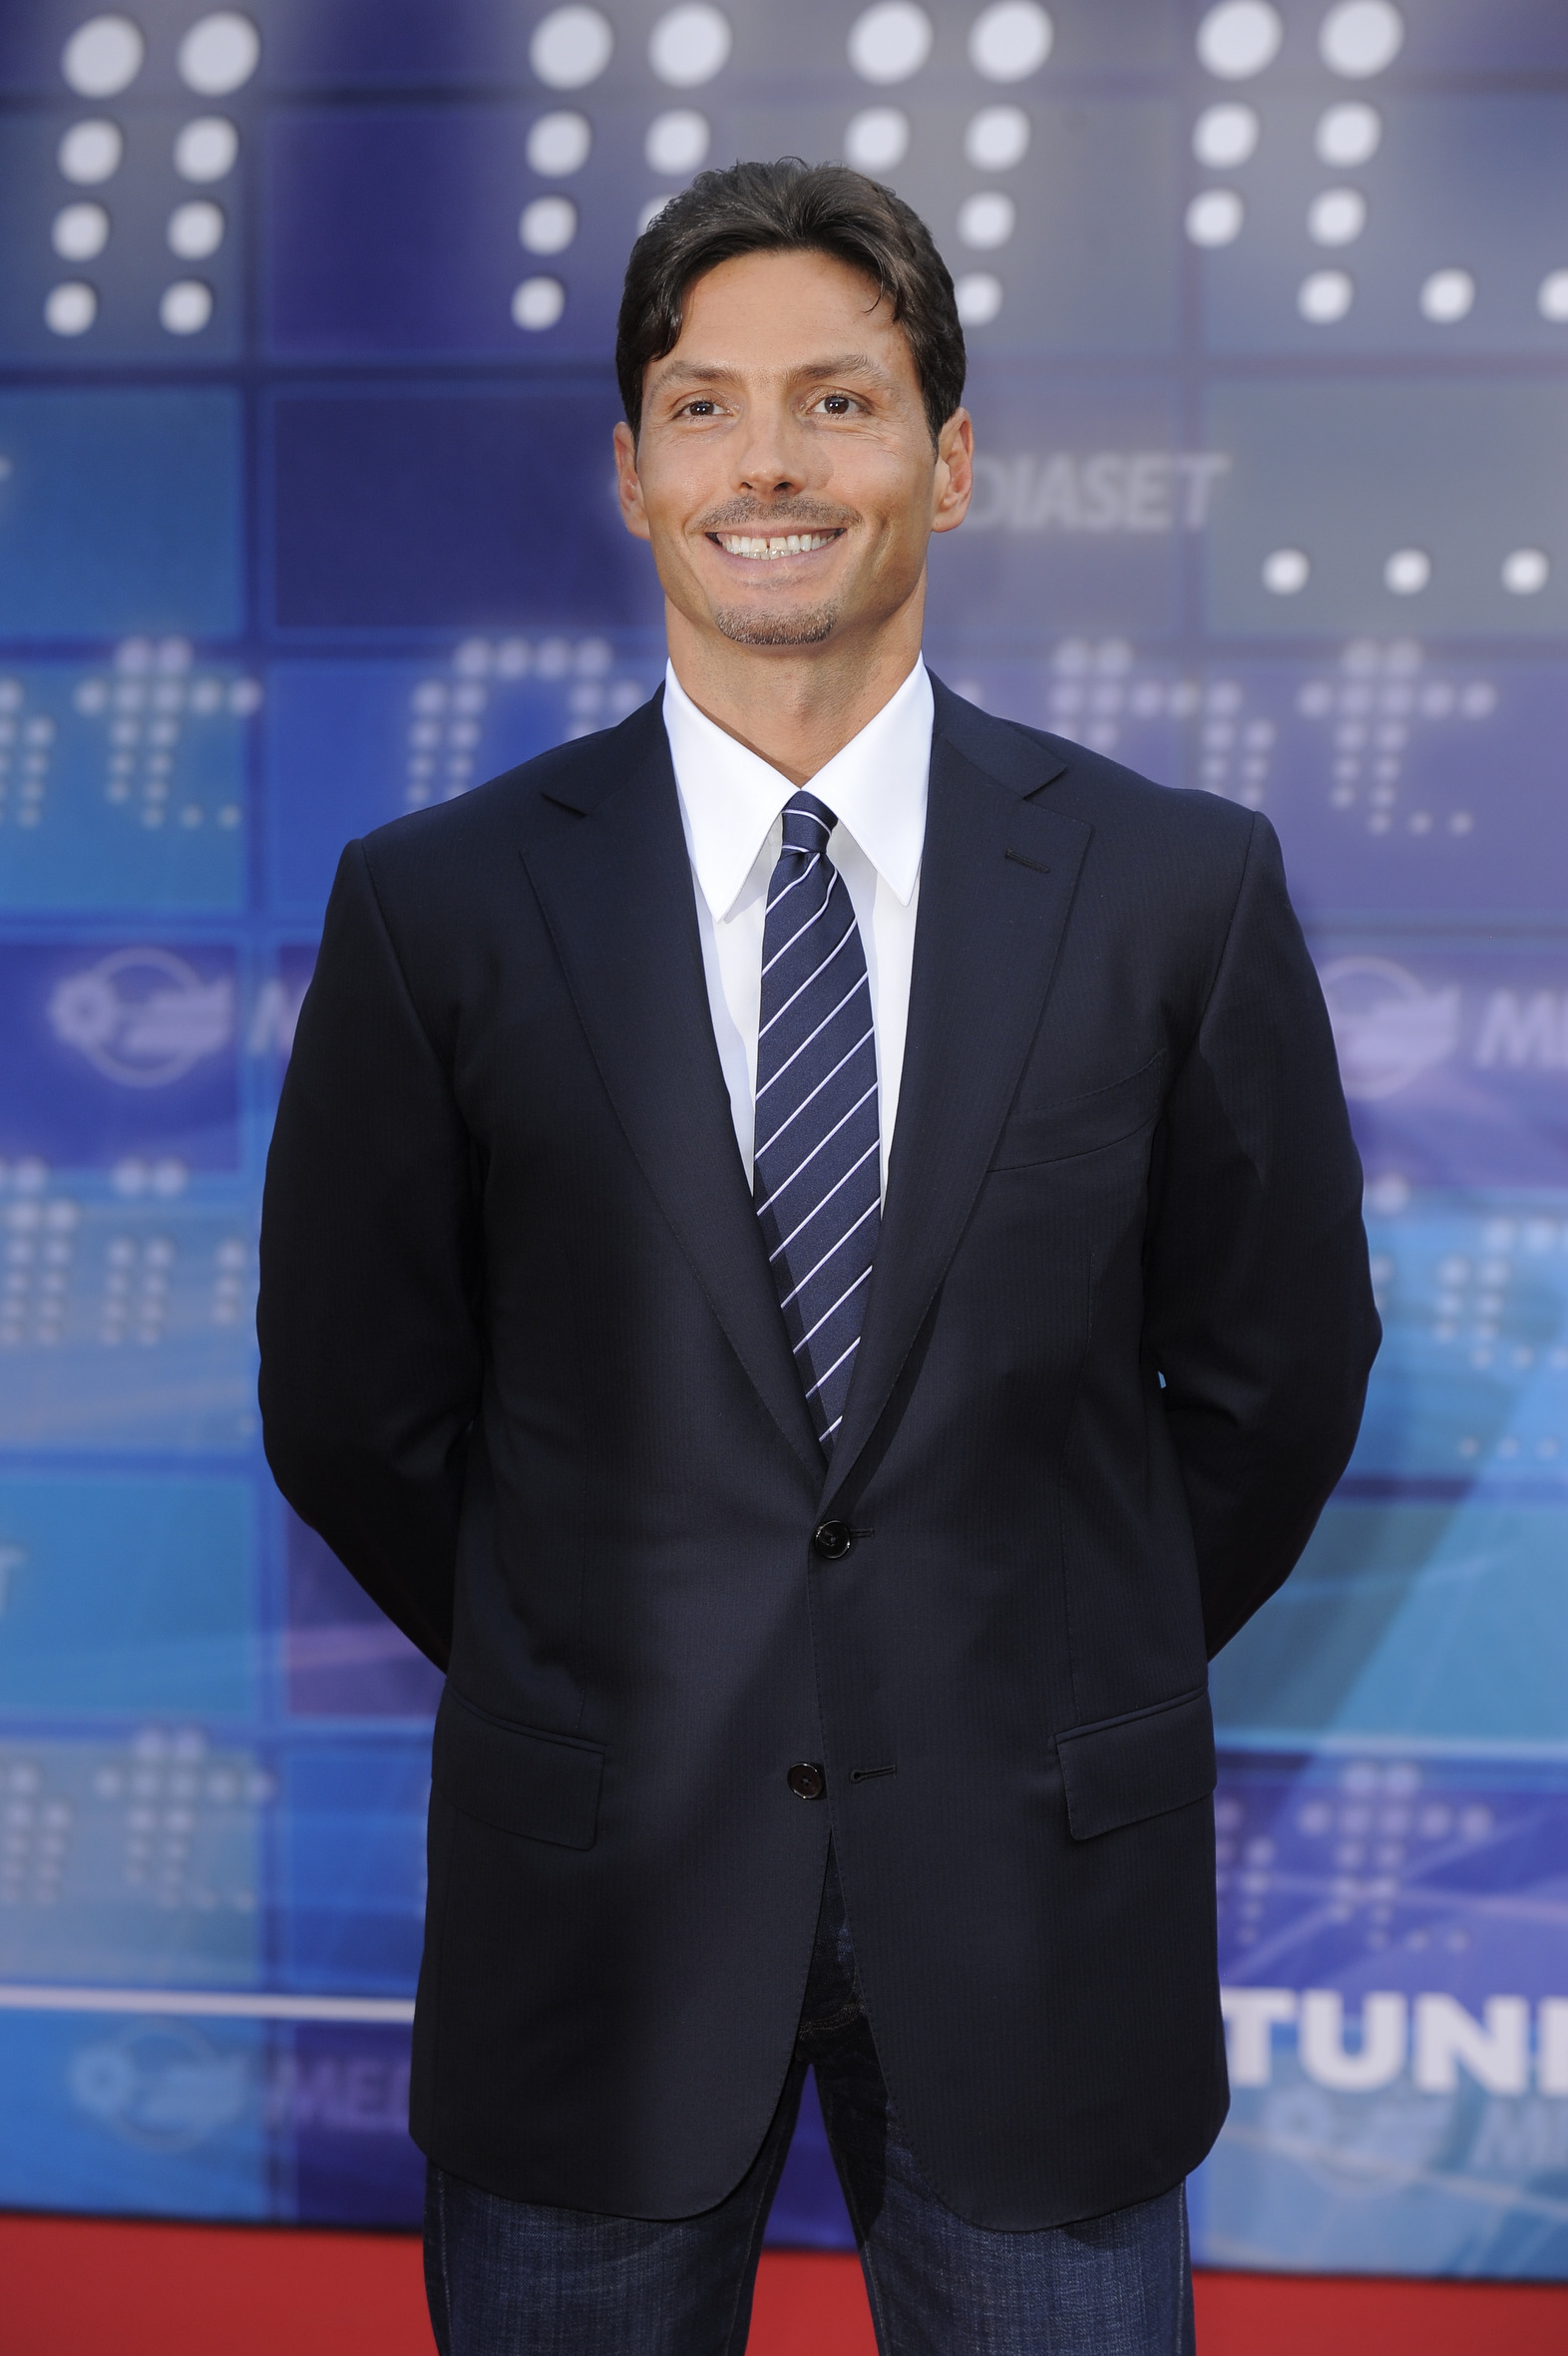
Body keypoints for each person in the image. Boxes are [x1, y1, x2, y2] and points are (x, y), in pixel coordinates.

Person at [257, 160, 1379, 2356]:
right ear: (633, 471)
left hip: (1041, 1913)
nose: (766, 462)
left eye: (838, 401)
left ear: (947, 461)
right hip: (595, 1912)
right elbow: (356, 1407)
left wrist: (1044, 1659)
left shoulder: (1176, 885)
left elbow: (1278, 1377)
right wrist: (599, 1650)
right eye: (705, 406)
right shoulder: (438, 904)